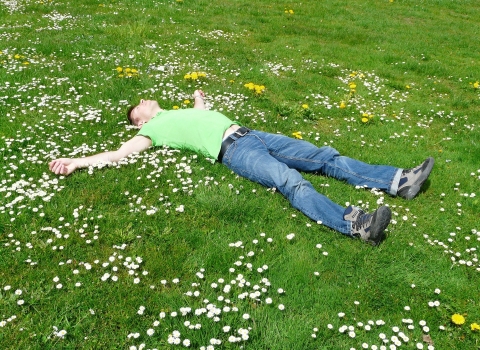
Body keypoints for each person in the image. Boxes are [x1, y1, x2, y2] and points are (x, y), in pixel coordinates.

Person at [49, 90, 434, 246]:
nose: (145, 101)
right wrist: (77, 161)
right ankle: (356, 224)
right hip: (232, 151)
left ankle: (398, 181)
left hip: (253, 134)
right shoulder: (151, 131)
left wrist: (199, 99)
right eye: (139, 107)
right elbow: (118, 154)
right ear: (138, 121)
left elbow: (200, 114)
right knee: (290, 181)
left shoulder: (177, 112)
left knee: (323, 156)